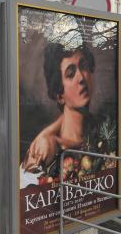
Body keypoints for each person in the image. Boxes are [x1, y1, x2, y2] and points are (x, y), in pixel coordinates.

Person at [21, 43, 101, 184]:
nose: (81, 78)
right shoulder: (45, 146)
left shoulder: (102, 127)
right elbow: (25, 190)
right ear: (59, 95)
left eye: (84, 66)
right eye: (71, 74)